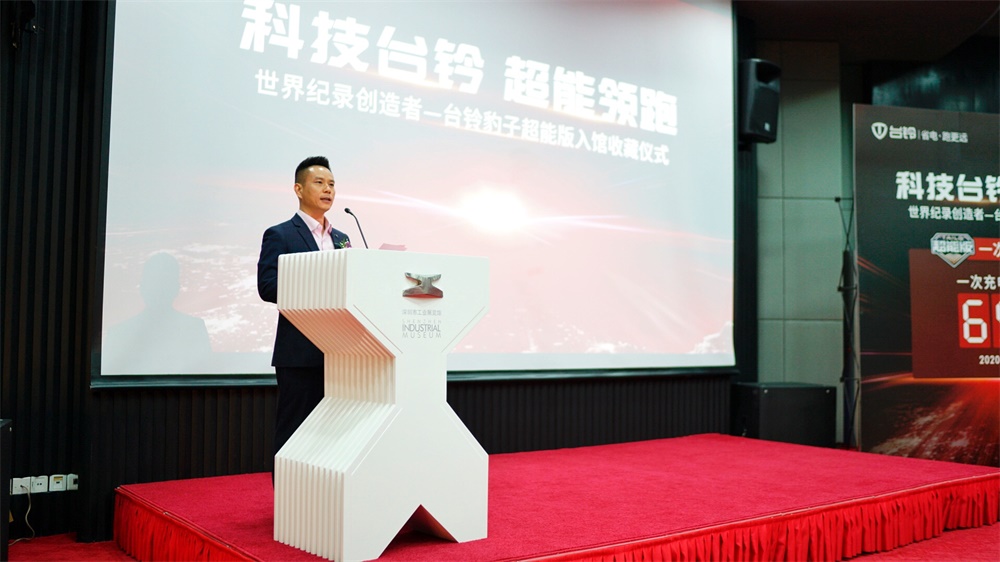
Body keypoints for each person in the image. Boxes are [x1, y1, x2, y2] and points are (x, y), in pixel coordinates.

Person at [257, 156, 351, 464]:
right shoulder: (280, 234)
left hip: (340, 352)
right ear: (298, 189)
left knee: (334, 433)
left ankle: (327, 489)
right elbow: (267, 286)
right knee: (295, 430)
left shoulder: (342, 239)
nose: (328, 189)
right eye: (319, 183)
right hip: (299, 352)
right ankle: (287, 491)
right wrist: (316, 286)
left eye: (332, 184)